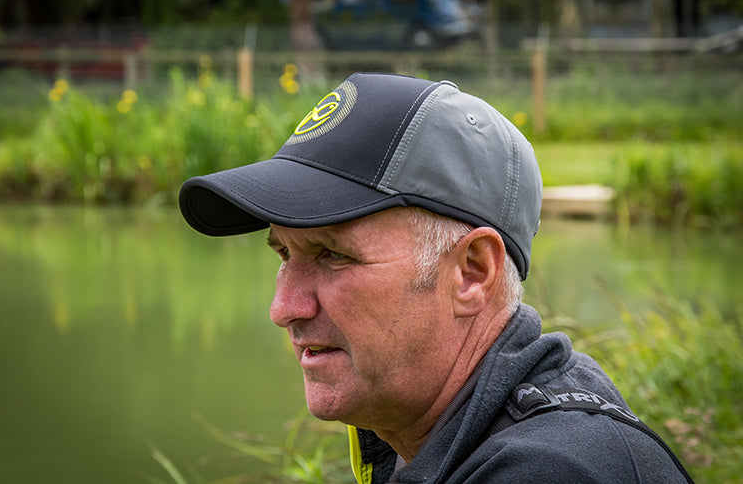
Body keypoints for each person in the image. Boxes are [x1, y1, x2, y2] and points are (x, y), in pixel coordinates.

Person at [179, 73, 692, 483]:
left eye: (332, 254)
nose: (284, 307)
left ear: (472, 273)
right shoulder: (425, 433)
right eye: (284, 254)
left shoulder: (555, 469)